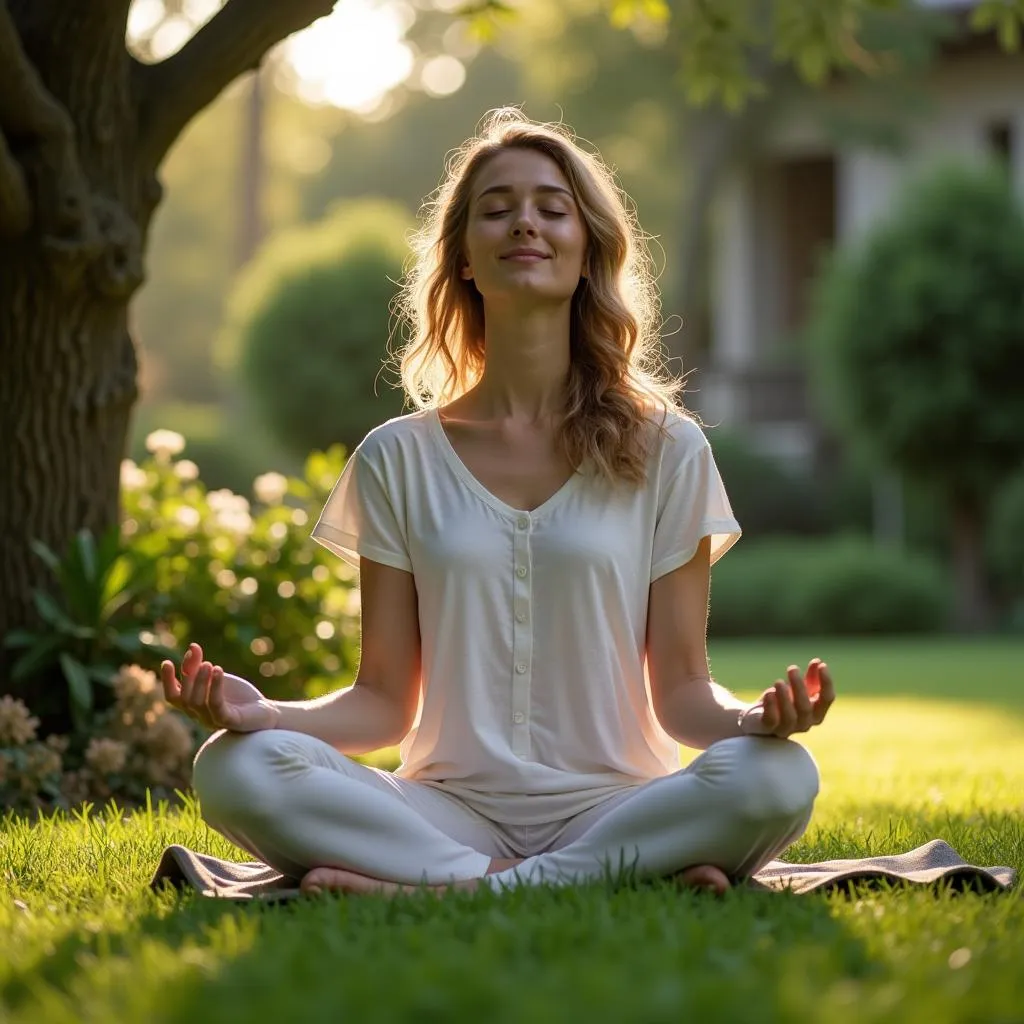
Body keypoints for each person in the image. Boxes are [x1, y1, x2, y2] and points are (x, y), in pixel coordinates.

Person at [160, 108, 835, 899]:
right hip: (446, 809)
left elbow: (683, 693)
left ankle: (445, 890)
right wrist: (267, 712)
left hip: (622, 804)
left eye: (553, 208)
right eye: (497, 207)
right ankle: (591, 882)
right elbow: (382, 704)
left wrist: (754, 722)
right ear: (466, 260)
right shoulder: (397, 457)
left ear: (588, 254)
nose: (526, 222)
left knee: (780, 776)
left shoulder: (669, 449)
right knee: (235, 767)